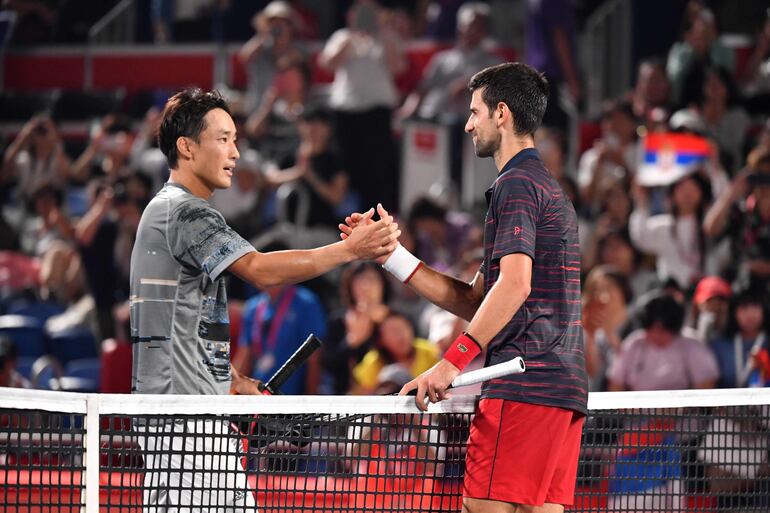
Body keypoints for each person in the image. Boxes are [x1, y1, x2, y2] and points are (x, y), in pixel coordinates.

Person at [129, 87, 399, 512]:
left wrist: (233, 379)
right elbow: (260, 270)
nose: (236, 153)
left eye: (236, 139)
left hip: (187, 416)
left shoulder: (167, 211)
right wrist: (351, 250)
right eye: (223, 139)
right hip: (185, 422)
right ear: (185, 147)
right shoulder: (185, 211)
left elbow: (182, 322)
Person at [342, 62, 587, 513]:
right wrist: (391, 256)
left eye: (475, 112)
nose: (469, 124)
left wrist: (450, 364)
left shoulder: (514, 184)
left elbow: (514, 285)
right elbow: (477, 299)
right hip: (561, 391)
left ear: (502, 114)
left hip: (521, 387)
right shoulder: (547, 188)